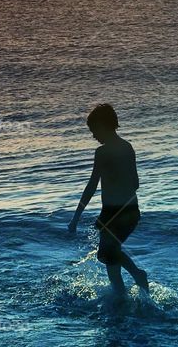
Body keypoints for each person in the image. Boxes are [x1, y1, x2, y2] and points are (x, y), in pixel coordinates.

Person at [68, 103, 149, 295]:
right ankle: (129, 286)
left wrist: (75, 218)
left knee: (107, 255)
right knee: (109, 255)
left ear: (103, 125)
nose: (93, 135)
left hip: (114, 213)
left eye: (94, 130)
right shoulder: (128, 147)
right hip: (130, 210)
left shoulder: (102, 153)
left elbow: (91, 187)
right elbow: (136, 183)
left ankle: (131, 284)